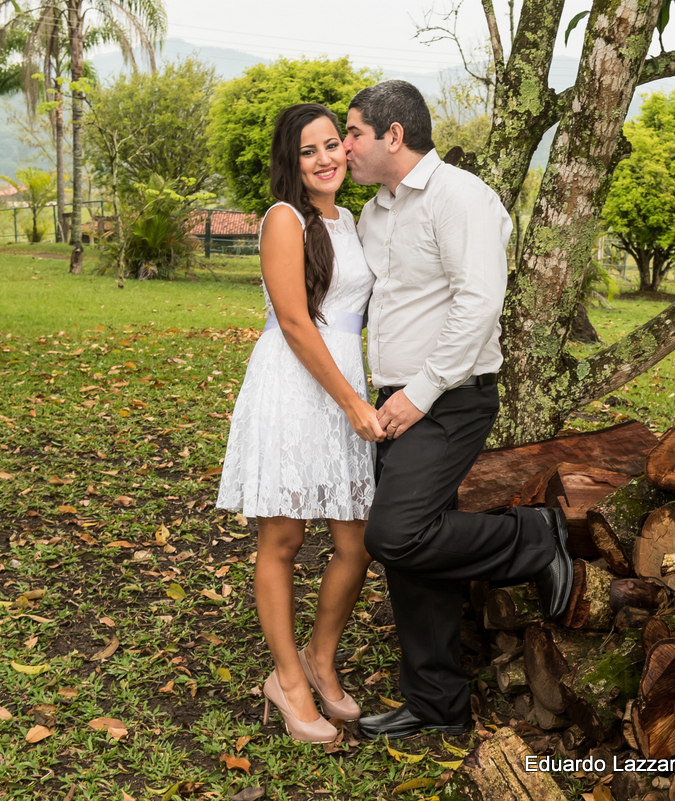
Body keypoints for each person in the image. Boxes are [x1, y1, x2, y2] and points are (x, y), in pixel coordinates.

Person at [341, 80, 574, 740]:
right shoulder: (375, 213)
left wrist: (418, 393)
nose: (346, 145)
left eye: (353, 132)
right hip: (395, 399)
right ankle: (437, 704)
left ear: (392, 134)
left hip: (450, 396)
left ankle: (532, 537)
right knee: (411, 554)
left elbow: (479, 303)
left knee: (394, 534)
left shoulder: (459, 196)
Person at [216, 102, 386, 743]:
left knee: (357, 542)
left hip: (346, 382)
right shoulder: (284, 220)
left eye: (331, 145)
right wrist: (350, 401)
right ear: (291, 164)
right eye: (308, 151)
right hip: (295, 387)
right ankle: (286, 681)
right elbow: (293, 323)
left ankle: (320, 657)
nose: (325, 159)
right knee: (283, 541)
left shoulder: (354, 220)